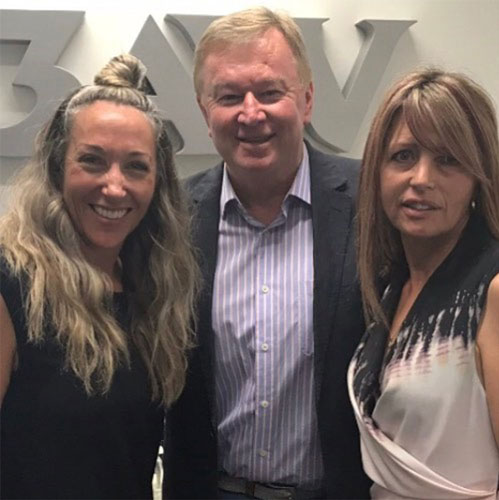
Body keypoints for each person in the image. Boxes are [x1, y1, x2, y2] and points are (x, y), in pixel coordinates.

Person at [164, 7, 370, 500]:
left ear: (307, 99)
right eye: (229, 96)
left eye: (270, 92)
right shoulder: (169, 219)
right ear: (203, 111)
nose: (250, 113)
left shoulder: (371, 203)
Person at [0, 53, 198, 499]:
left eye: (135, 166)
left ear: (157, 182)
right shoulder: (11, 280)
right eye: (92, 160)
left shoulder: (152, 292)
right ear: (57, 166)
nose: (114, 186)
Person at [348, 69, 499, 499]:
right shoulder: (389, 287)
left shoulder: (493, 287)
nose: (421, 178)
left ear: (478, 175)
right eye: (403, 156)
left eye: (448, 160)